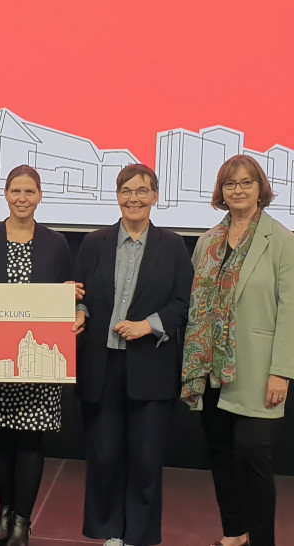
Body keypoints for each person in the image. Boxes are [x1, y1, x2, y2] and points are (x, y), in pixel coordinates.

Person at [73, 164, 193, 546]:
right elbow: (82, 297)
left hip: (151, 365)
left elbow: (183, 303)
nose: (134, 199)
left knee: (144, 459)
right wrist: (80, 312)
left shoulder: (173, 246)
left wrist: (149, 325)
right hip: (102, 365)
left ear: (155, 196)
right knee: (105, 455)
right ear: (117, 195)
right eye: (126, 190)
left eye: (142, 191)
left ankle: (139, 536)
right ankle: (109, 532)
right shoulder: (94, 242)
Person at [181, 155, 294, 546]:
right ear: (221, 192)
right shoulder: (207, 241)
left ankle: (263, 540)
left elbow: (291, 309)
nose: (239, 190)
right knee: (221, 454)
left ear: (261, 188)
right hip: (210, 367)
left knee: (254, 458)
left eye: (247, 183)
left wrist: (282, 370)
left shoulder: (281, 240)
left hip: (258, 369)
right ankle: (235, 532)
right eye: (230, 184)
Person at [0, 165, 72, 546]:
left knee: (30, 440)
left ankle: (23, 523)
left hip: (36, 356)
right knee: (0, 439)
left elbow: (65, 297)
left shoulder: (56, 243)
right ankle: (4, 513)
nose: (22, 198)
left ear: (40, 195)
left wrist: (74, 301)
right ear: (6, 194)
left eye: (29, 192)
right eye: (15, 191)